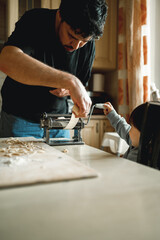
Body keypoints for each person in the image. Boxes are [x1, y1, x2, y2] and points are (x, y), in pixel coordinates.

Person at [0, 0, 108, 138]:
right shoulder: (35, 20)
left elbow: (80, 83)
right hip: (20, 119)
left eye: (84, 42)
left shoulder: (87, 43)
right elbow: (7, 59)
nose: (76, 45)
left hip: (59, 122)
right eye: (71, 36)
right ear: (60, 16)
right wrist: (69, 81)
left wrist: (69, 89)